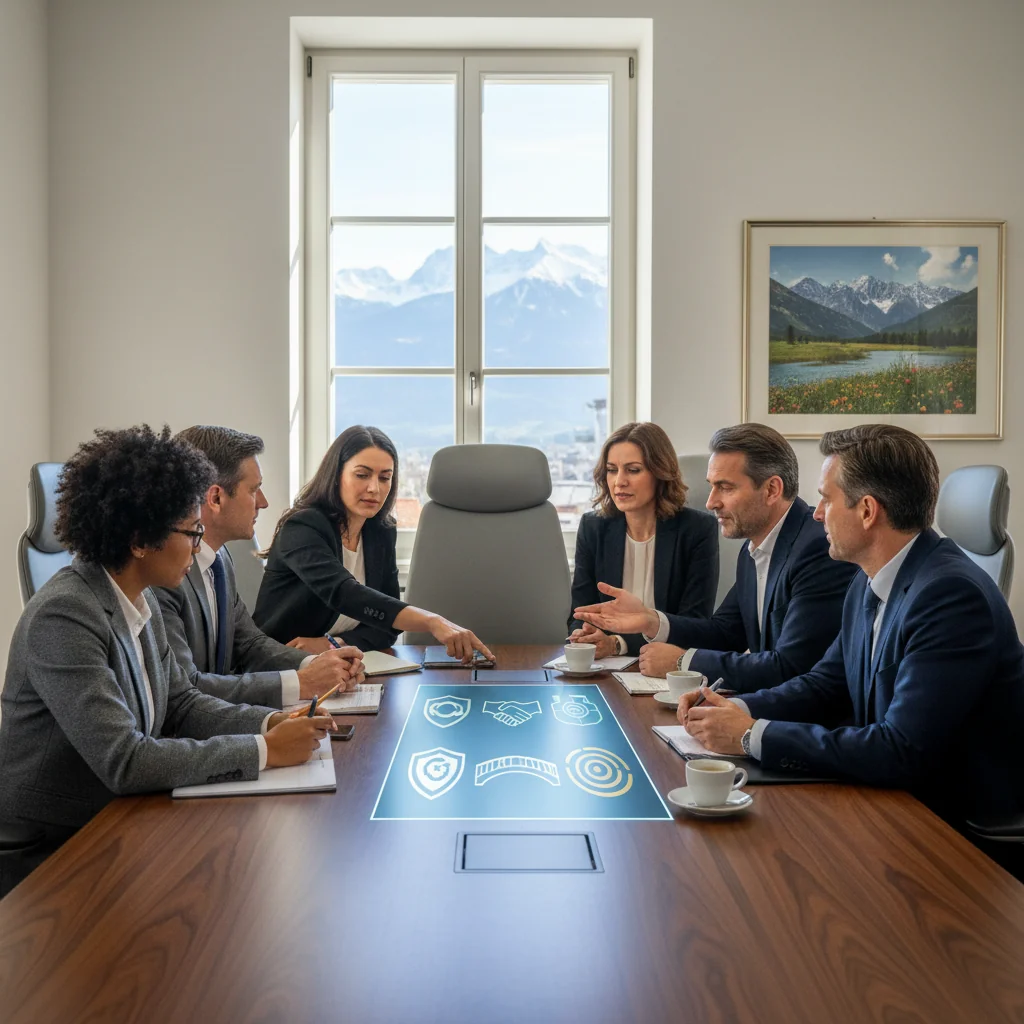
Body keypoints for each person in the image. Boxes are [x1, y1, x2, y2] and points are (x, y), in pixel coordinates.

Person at [0, 426, 335, 896]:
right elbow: (126, 759)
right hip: (57, 849)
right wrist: (267, 751)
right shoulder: (65, 615)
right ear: (140, 539)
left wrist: (271, 722)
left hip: (121, 817)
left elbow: (180, 703)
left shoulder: (141, 598)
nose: (199, 546)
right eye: (191, 532)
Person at [679, 424, 1024, 835]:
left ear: (867, 510)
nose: (817, 512)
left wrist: (753, 736)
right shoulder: (868, 575)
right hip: (893, 799)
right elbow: (826, 683)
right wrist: (739, 709)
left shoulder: (949, 596)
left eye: (826, 498)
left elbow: (900, 749)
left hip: (950, 824)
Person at [574, 423, 857, 692]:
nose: (711, 502)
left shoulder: (816, 548)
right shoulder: (756, 548)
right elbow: (724, 633)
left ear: (772, 489)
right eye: (711, 486)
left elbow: (791, 667)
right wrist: (649, 620)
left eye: (726, 487)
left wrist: (682, 662)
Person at [154, 425, 364, 709]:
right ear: (215, 498)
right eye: (254, 490)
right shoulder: (161, 576)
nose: (263, 503)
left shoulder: (220, 559)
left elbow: (249, 644)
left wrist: (320, 664)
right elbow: (186, 686)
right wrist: (302, 683)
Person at [253, 425, 494, 662]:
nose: (374, 488)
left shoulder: (381, 531)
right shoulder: (303, 526)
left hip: (343, 664)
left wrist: (334, 644)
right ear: (336, 475)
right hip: (280, 662)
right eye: (362, 475)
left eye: (385, 478)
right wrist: (432, 621)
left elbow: (386, 626)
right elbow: (344, 593)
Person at [567, 421, 718, 659]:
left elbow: (693, 624)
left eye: (633, 470)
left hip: (667, 666)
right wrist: (584, 636)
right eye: (612, 469)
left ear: (660, 473)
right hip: (604, 667)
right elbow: (580, 612)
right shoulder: (593, 527)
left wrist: (617, 643)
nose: (619, 482)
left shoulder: (697, 530)